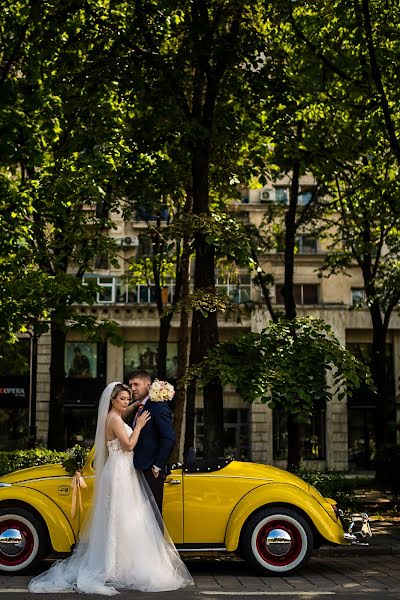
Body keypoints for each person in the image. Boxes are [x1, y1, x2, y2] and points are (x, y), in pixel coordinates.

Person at [29, 382, 193, 595]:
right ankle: (117, 565)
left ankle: (119, 561)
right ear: (112, 401)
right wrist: (140, 426)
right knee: (122, 517)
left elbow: (128, 411)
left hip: (118, 469)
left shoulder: (113, 417)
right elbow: (128, 445)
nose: (126, 402)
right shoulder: (115, 420)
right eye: (122, 399)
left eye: (127, 398)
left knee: (123, 518)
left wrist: (139, 404)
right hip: (120, 473)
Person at [126, 370, 176, 514]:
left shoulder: (158, 407)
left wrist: (157, 466)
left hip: (151, 471)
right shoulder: (140, 407)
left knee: (153, 516)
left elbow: (168, 437)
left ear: (148, 385)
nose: (133, 388)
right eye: (130, 385)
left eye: (136, 384)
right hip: (138, 469)